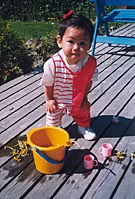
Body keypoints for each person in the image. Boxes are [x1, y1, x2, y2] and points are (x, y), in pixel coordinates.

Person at [40, 10, 98, 140]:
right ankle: (55, 130)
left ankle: (83, 127)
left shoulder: (90, 63)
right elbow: (47, 83)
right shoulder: (52, 64)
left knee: (83, 112)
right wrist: (49, 99)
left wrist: (84, 97)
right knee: (53, 117)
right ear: (60, 41)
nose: (76, 47)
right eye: (71, 42)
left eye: (82, 43)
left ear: (89, 45)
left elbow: (89, 81)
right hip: (58, 99)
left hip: (78, 99)